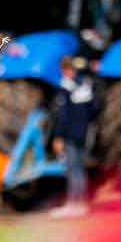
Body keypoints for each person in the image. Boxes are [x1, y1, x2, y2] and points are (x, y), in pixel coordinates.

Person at [49, 56, 98, 219]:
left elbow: (63, 116)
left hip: (69, 134)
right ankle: (81, 203)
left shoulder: (66, 88)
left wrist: (58, 137)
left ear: (66, 70)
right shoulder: (86, 86)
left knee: (72, 169)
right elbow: (93, 110)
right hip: (83, 134)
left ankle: (73, 204)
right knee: (80, 169)